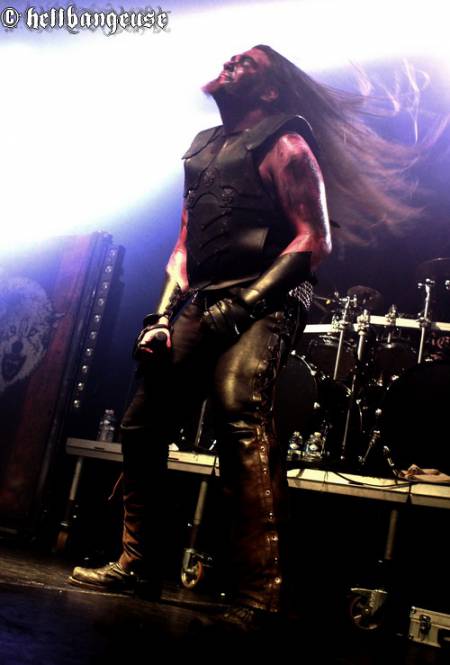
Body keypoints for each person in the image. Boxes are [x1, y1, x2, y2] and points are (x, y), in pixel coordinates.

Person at [68, 44, 430, 633]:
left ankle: (262, 592)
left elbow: (313, 241)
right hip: (204, 297)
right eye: (233, 57)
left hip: (267, 299)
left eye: (249, 64)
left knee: (240, 413)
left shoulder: (286, 144)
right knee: (142, 422)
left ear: (269, 90)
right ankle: (138, 564)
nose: (232, 61)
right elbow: (184, 246)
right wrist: (159, 317)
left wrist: (245, 304)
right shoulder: (203, 148)